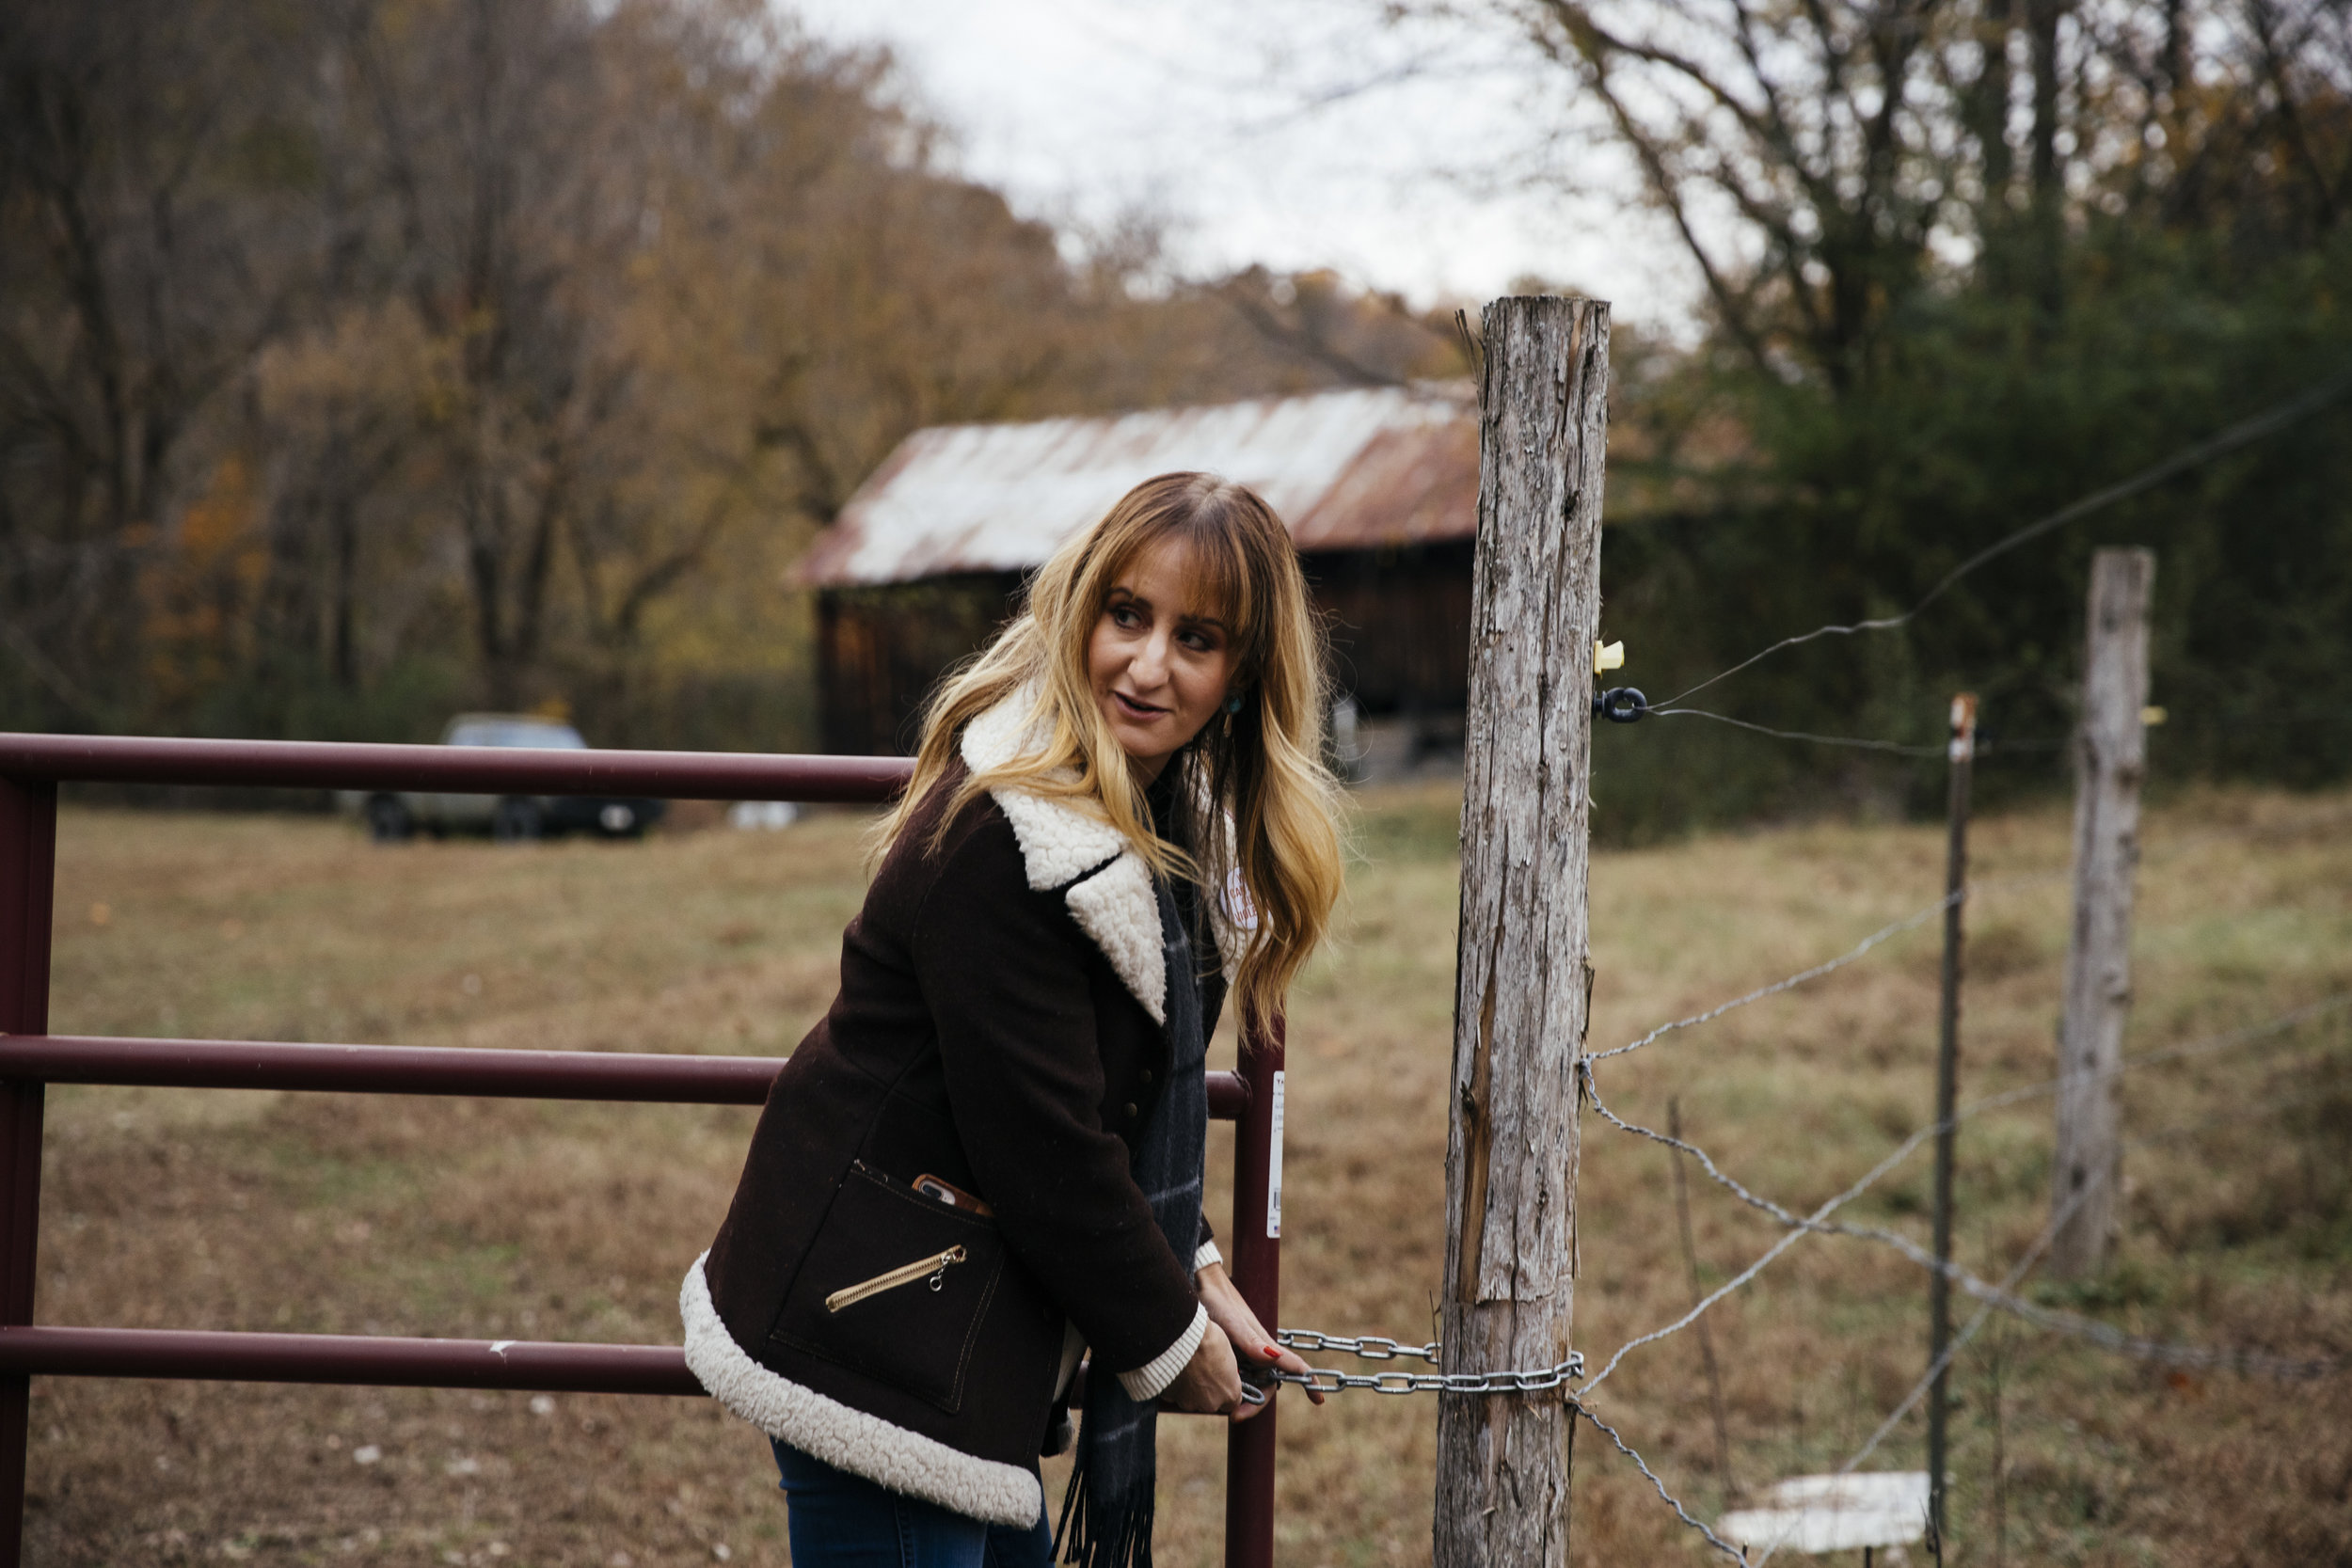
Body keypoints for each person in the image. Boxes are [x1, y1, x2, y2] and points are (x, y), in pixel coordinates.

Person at [679, 472, 1344, 1567]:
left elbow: (1110, 1093)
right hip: (874, 1329)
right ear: (1081, 609)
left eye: (1198, 637)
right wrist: (1171, 1339)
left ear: (1240, 677)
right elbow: (1046, 1145)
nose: (1147, 663)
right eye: (1127, 615)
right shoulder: (1006, 834)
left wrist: (1198, 1261)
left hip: (951, 1332)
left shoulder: (1160, 823)